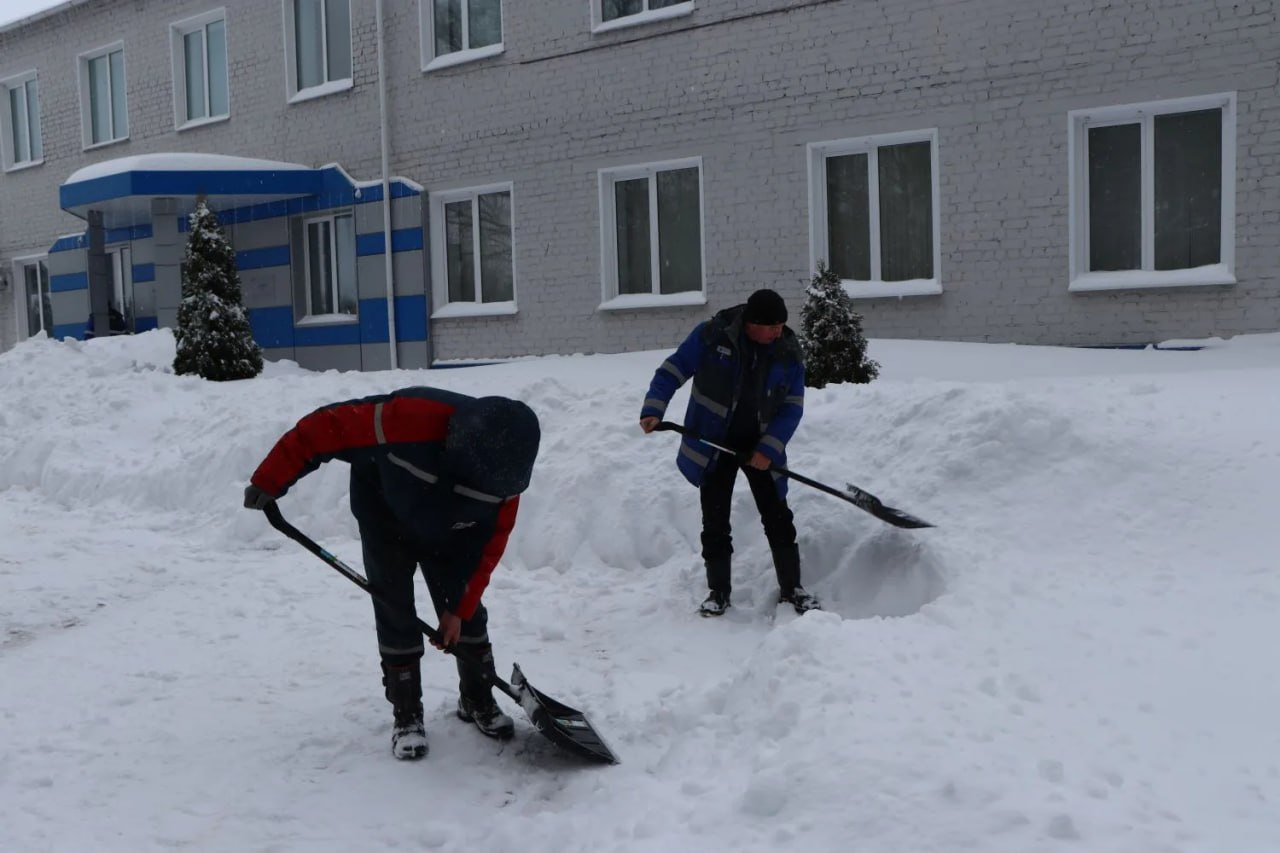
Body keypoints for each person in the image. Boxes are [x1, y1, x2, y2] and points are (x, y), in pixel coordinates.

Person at [242, 388, 540, 761]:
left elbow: (487, 551)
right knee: (395, 612)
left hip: (453, 533)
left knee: (469, 615)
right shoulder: (406, 419)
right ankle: (407, 713)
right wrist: (271, 479)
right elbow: (324, 428)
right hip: (385, 517)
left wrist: (458, 610)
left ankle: (477, 696)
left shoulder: (506, 484)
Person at [640, 288, 820, 617]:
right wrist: (654, 407)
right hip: (714, 443)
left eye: (781, 324)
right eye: (771, 326)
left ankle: (792, 587)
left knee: (778, 516)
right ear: (751, 323)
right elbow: (674, 369)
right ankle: (718, 591)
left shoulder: (788, 353)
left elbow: (792, 409)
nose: (778, 331)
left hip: (761, 446)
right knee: (715, 519)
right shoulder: (712, 336)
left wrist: (768, 449)